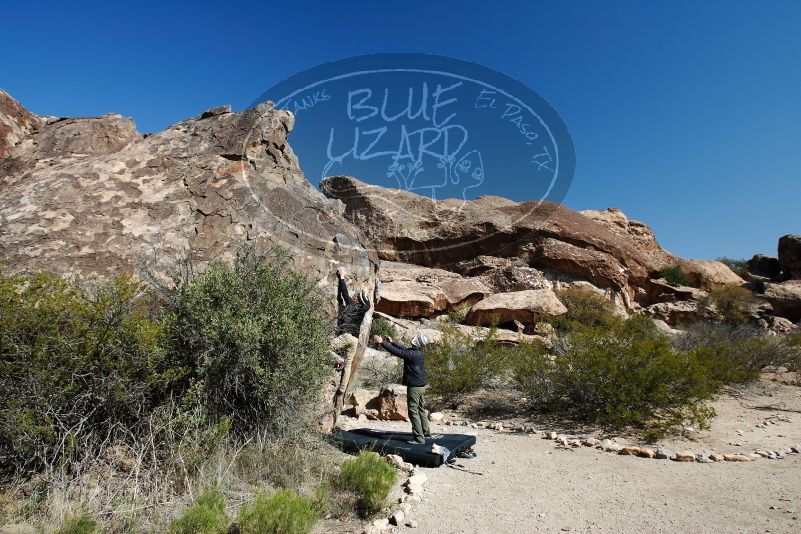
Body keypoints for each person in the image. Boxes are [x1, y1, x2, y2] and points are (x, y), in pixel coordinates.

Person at [372, 332, 430, 444]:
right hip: (421, 387)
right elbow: (404, 349)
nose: (413, 337)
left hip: (414, 388)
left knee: (413, 412)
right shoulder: (417, 353)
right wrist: (393, 343)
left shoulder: (412, 354)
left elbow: (398, 352)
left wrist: (382, 343)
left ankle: (419, 438)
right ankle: (426, 433)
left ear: (416, 342)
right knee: (421, 409)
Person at [331, 268, 371, 414]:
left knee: (326, 348)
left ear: (355, 300)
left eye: (356, 297)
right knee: (348, 363)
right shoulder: (362, 309)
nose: (353, 297)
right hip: (354, 340)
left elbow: (343, 292)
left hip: (345, 336)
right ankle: (342, 389)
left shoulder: (351, 304)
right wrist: (365, 295)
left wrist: (341, 277)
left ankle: (336, 360)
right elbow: (368, 305)